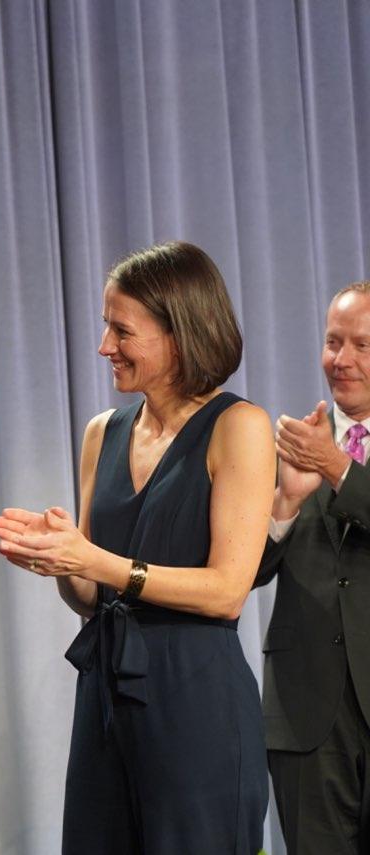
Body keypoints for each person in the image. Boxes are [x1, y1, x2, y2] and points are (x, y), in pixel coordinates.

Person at [0, 241, 273, 854]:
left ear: (179, 335)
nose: (104, 347)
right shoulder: (104, 432)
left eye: (122, 330)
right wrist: (61, 560)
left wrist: (98, 561)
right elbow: (93, 594)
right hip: (105, 694)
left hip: (195, 698)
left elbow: (227, 592)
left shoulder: (239, 427)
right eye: (105, 326)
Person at [255, 282, 370, 854]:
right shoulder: (297, 448)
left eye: (361, 345)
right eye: (332, 341)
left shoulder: (322, 451)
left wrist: (337, 467)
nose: (341, 359)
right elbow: (245, 573)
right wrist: (286, 502)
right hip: (306, 719)